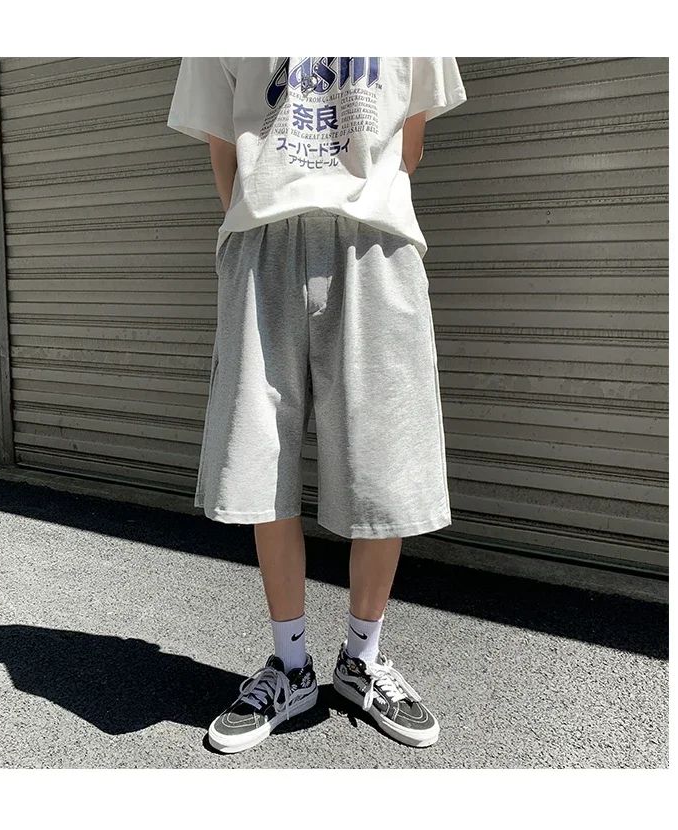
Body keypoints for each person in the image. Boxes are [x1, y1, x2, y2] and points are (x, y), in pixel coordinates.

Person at [167, 57, 467, 754]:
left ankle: (361, 658)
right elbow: (224, 145)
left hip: (373, 239)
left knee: (384, 462)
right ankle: (291, 665)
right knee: (260, 455)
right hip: (265, 240)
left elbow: (409, 142)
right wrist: (270, 218)